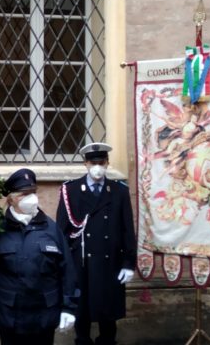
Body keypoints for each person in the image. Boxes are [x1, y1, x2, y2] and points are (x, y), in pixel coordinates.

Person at [0, 168, 79, 345]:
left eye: (33, 192)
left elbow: (67, 270)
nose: (31, 198)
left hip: (43, 315)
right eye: (24, 194)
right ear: (11, 198)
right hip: (9, 314)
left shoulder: (51, 229)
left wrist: (69, 308)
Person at [56, 142, 137, 345]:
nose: (97, 166)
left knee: (107, 314)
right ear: (86, 163)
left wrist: (129, 263)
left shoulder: (119, 191)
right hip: (80, 261)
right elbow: (62, 230)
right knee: (81, 311)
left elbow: (127, 229)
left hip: (110, 261)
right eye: (93, 162)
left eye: (101, 162)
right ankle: (82, 341)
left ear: (107, 163)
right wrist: (63, 264)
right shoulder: (71, 190)